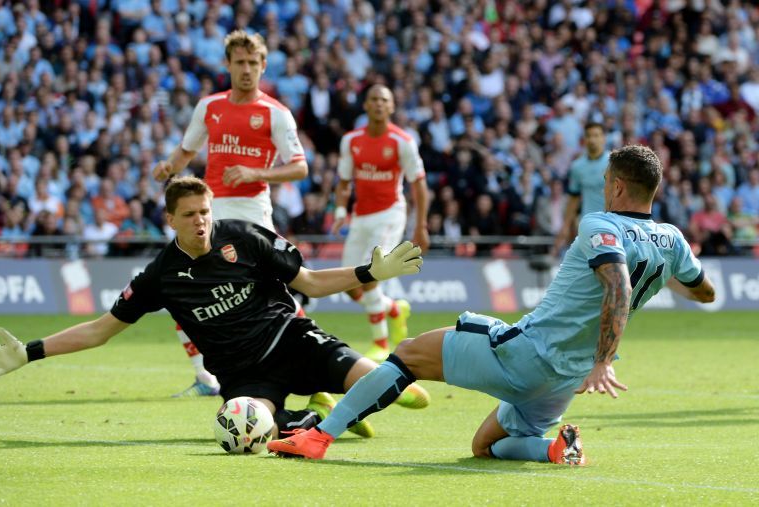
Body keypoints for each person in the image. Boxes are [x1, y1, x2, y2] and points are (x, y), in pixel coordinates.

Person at [268, 145, 716, 465]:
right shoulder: (672, 240)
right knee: (486, 446)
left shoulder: (599, 223)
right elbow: (704, 292)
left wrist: (604, 361)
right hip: (565, 379)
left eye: (604, 182)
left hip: (529, 354)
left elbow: (617, 283)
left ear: (617, 185)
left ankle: (318, 437)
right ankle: (554, 449)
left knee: (408, 355)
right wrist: (659, 276)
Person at [0, 177, 429, 439]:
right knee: (242, 429)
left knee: (405, 393)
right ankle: (310, 418)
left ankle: (330, 404)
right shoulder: (159, 277)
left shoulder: (246, 236)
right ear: (170, 219)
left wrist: (370, 273)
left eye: (205, 211)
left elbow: (308, 281)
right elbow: (100, 330)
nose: (201, 221)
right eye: (190, 214)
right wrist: (29, 352)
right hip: (246, 378)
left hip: (295, 342)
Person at [152, 30, 309, 397]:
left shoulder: (276, 114)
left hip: (254, 212)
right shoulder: (209, 106)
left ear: (263, 66)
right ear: (227, 65)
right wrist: (168, 167)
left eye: (253, 63)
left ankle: (311, 359)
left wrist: (257, 173)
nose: (246, 70)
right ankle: (204, 378)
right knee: (180, 290)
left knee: (277, 296)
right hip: (209, 211)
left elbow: (299, 167)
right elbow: (186, 152)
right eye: (240, 62)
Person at [330, 85, 430, 362]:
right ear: (365, 105)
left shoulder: (402, 141)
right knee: (349, 285)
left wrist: (421, 225)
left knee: (373, 271)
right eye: (373, 99)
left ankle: (381, 342)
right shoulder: (351, 141)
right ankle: (394, 309)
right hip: (360, 216)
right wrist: (340, 211)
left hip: (390, 213)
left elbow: (419, 185)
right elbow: (344, 181)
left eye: (384, 100)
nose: (378, 104)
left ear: (392, 107)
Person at [554, 122, 609, 255]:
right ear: (584, 139)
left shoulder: (613, 162)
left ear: (603, 138)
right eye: (588, 136)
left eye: (596, 135)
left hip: (611, 223)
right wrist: (566, 225)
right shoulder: (577, 167)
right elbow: (574, 197)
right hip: (588, 223)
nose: (592, 140)